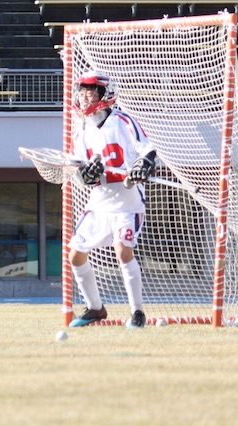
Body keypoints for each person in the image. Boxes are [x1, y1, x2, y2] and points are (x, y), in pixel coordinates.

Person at [67, 72, 157, 329]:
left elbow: (148, 150)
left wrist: (142, 165)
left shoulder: (123, 121)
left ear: (106, 94)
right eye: (82, 91)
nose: (85, 96)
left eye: (91, 91)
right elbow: (83, 175)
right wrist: (89, 176)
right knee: (75, 255)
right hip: (99, 203)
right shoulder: (82, 130)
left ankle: (137, 312)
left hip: (127, 203)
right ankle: (95, 308)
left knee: (122, 251)